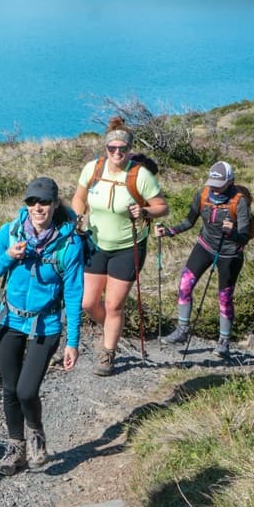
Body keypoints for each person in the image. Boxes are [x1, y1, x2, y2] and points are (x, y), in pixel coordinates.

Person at [0, 175, 84, 473]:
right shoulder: (10, 232)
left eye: (45, 202)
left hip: (46, 324)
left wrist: (72, 342)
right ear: (26, 204)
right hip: (9, 319)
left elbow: (75, 295)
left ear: (55, 204)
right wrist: (9, 257)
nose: (38, 208)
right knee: (10, 389)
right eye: (32, 202)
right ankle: (15, 447)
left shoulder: (70, 245)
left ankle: (36, 433)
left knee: (26, 391)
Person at [70, 117, 168, 375]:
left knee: (113, 305)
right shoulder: (92, 169)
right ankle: (112, 327)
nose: (117, 153)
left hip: (128, 246)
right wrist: (78, 217)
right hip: (95, 242)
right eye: (112, 148)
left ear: (129, 149)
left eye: (122, 149)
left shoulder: (141, 175)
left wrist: (145, 211)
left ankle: (108, 352)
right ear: (106, 148)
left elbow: (162, 207)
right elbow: (79, 197)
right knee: (88, 303)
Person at [160, 160, 254, 359]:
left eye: (219, 186)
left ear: (230, 182)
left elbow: (245, 236)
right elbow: (189, 221)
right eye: (212, 184)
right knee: (185, 284)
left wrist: (232, 232)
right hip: (204, 246)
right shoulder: (202, 195)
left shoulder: (239, 202)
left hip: (230, 254)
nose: (215, 189)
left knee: (224, 297)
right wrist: (169, 232)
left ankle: (223, 342)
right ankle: (182, 330)